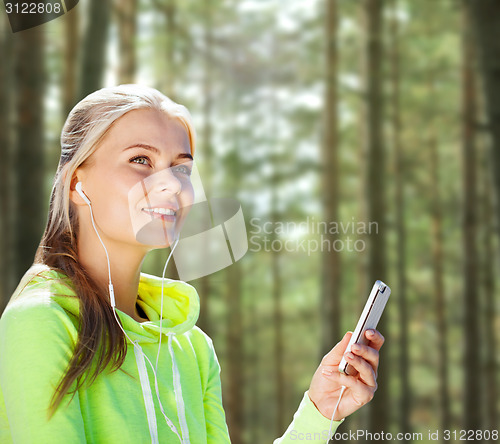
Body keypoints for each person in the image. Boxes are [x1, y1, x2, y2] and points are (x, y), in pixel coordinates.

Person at [0, 84, 385, 443]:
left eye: (181, 167)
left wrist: (320, 411)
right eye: (140, 159)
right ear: (75, 182)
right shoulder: (41, 321)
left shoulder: (191, 346)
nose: (170, 183)